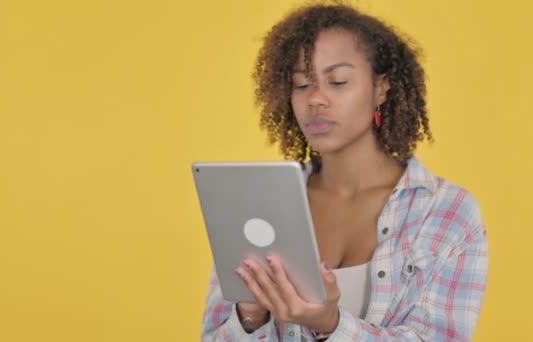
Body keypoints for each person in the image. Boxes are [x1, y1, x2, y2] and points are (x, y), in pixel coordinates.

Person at [201, 2, 488, 341]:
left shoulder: (445, 212)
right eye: (302, 84)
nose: (316, 100)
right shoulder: (259, 204)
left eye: (337, 81)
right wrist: (250, 316)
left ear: (381, 87)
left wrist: (331, 325)